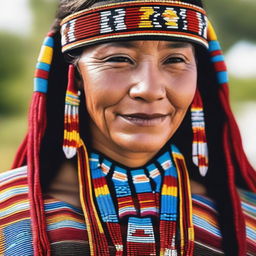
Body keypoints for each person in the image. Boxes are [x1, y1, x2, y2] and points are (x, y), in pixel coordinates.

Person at [1, 0, 255, 255]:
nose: (150, 89)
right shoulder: (9, 210)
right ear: (77, 75)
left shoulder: (245, 216)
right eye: (119, 59)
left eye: (175, 59)